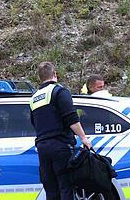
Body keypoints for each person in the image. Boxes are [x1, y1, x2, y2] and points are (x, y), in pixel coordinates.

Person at [30, 62, 92, 200]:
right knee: (66, 187)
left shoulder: (34, 98)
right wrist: (83, 138)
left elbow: (34, 122)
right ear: (55, 74)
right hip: (60, 146)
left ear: (40, 78)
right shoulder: (59, 91)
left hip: (42, 148)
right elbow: (71, 118)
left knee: (51, 190)